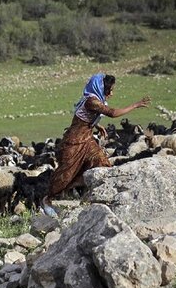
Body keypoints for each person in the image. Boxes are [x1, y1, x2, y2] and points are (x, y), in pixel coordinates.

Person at [41, 73, 150, 217]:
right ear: (101, 88)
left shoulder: (94, 99)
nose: (111, 93)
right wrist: (135, 105)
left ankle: (99, 198)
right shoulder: (92, 101)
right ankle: (47, 200)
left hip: (87, 140)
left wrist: (97, 126)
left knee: (101, 162)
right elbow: (112, 113)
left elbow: (83, 117)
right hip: (73, 143)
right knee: (65, 174)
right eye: (109, 90)